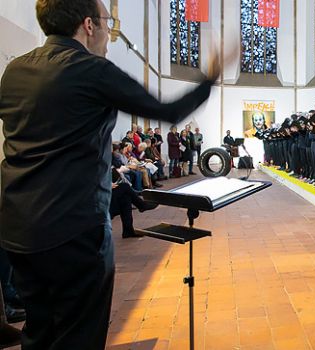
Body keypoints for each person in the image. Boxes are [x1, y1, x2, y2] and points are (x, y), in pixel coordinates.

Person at [0, 0, 228, 348]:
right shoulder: (91, 69)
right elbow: (168, 110)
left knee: (39, 331)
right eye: (108, 22)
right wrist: (209, 75)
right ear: (88, 25)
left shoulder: (14, 70)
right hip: (73, 226)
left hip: (17, 227)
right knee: (80, 334)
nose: (110, 33)